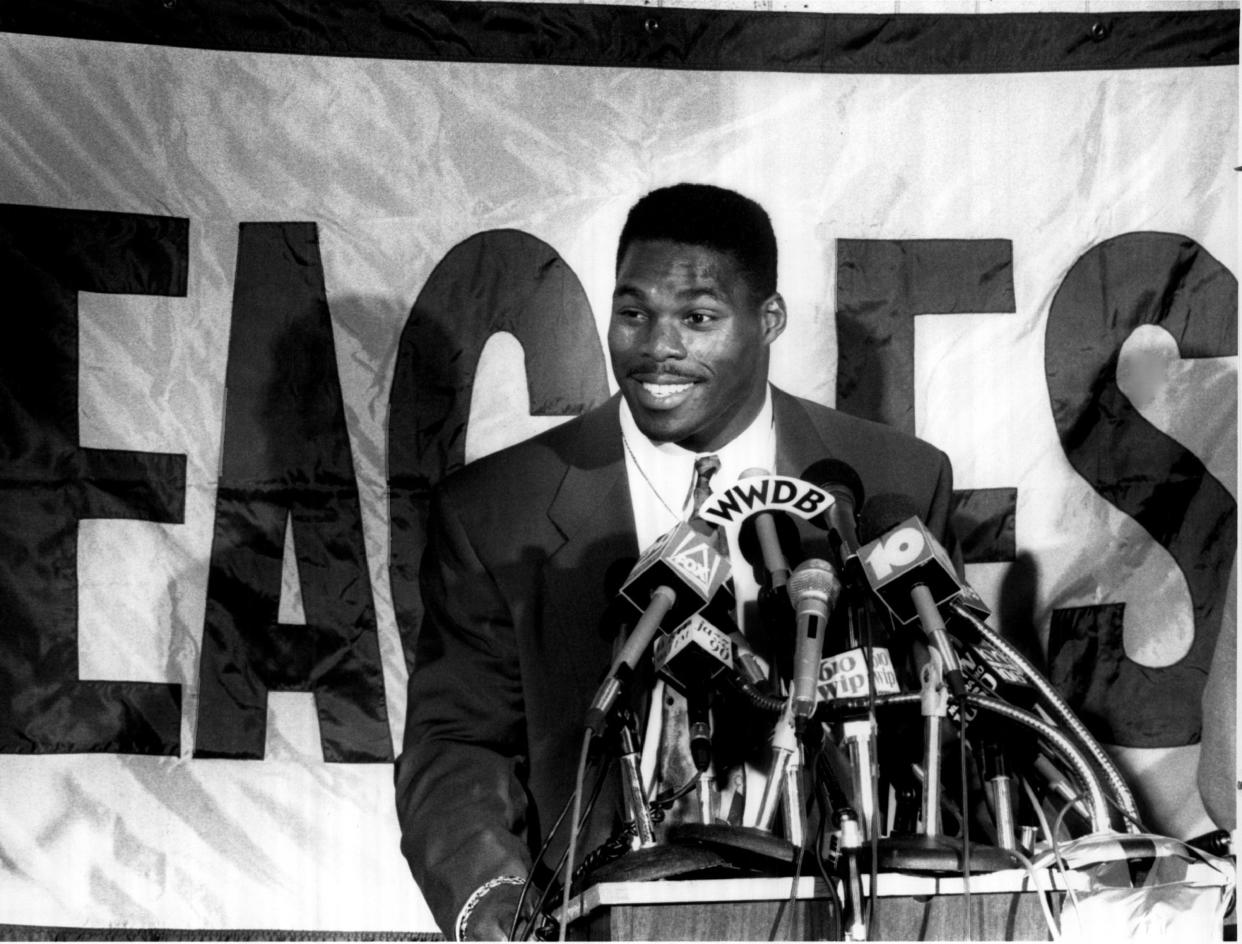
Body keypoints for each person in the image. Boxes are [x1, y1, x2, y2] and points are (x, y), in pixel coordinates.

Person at [395, 183, 959, 940]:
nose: (658, 345)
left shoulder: (894, 480)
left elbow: (947, 717)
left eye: (697, 317)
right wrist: (492, 904)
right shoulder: (496, 511)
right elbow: (457, 745)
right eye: (634, 314)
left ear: (769, 321)